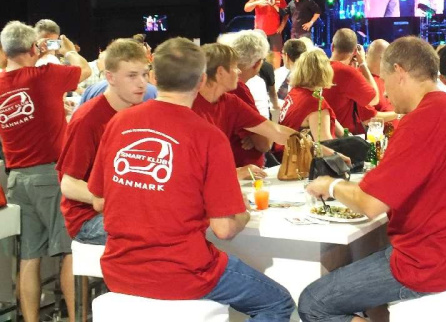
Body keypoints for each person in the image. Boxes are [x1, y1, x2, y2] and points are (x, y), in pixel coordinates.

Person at [87, 38, 295, 318]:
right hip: (183, 272)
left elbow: (99, 201)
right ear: (201, 80)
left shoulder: (119, 123)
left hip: (118, 270)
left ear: (153, 77)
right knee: (277, 302)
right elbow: (225, 229)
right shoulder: (208, 136)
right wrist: (243, 214)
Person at [299, 37, 446, 321]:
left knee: (313, 302)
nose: (386, 92)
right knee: (366, 278)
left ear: (399, 72)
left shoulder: (422, 121)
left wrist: (330, 184)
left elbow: (370, 204)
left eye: (385, 79)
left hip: (427, 262)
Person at [0, 21, 91, 322]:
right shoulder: (45, 75)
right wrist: (68, 50)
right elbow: (84, 70)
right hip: (49, 176)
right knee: (69, 252)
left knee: (28, 257)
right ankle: (77, 318)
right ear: (33, 48)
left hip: (16, 179)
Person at [57, 39, 149, 246]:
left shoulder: (139, 112)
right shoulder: (87, 120)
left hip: (126, 210)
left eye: (145, 74)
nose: (142, 83)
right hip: (89, 218)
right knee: (156, 233)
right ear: (110, 77)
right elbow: (69, 185)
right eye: (132, 76)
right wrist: (115, 200)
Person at [192, 43, 298, 180]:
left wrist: (312, 146)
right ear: (220, 72)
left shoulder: (231, 101)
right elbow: (189, 168)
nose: (239, 71)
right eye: (234, 67)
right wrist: (236, 173)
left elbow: (274, 131)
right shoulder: (188, 103)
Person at [225, 30, 272, 168]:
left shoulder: (227, 83)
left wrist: (253, 136)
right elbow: (264, 144)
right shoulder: (237, 88)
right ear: (257, 63)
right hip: (242, 170)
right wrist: (257, 136)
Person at [323, 29, 379, 135]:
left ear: (332, 47)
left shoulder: (319, 67)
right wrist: (362, 64)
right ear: (354, 51)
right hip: (342, 138)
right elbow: (374, 99)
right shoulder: (348, 73)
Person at [278, 50, 342, 143]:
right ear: (325, 72)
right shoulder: (316, 106)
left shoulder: (294, 92)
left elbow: (340, 131)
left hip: (284, 148)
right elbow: (325, 145)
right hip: (300, 151)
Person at [244, 0, 288, 68]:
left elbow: (286, 14)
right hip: (260, 32)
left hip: (275, 32)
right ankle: (260, 72)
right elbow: (246, 8)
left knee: (277, 53)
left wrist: (282, 26)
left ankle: (276, 72)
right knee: (259, 54)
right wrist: (257, 3)